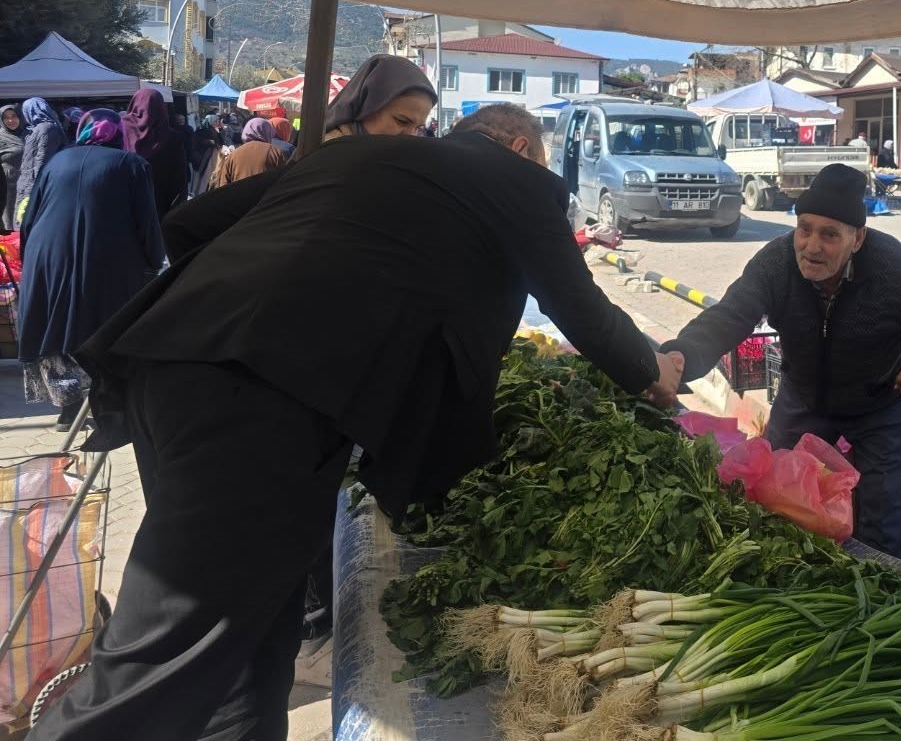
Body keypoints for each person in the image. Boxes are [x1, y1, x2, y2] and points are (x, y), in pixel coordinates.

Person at [34, 103, 682, 741]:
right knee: (163, 657)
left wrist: (248, 297)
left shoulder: (356, 155)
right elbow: (582, 309)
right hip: (260, 402)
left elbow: (188, 222)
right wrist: (655, 371)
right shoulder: (518, 181)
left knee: (253, 630)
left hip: (170, 363)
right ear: (520, 149)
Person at [661, 163, 901, 556]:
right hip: (804, 396)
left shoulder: (894, 267)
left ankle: (879, 582)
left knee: (881, 518)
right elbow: (731, 315)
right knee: (774, 498)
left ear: (858, 238)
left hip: (881, 402)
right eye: (805, 229)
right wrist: (681, 355)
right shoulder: (776, 262)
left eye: (829, 234)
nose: (811, 246)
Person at [17, 110, 163, 430]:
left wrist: (32, 261)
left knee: (59, 325)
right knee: (103, 329)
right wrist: (154, 262)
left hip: (47, 253)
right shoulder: (132, 165)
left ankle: (68, 409)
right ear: (118, 133)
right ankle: (106, 407)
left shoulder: (56, 161)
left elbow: (29, 216)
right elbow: (147, 223)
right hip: (106, 258)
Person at [324, 54, 438, 140]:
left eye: (418, 128)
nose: (411, 136)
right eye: (402, 121)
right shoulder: (331, 154)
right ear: (367, 107)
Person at [123, 87, 189, 218]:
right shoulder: (171, 136)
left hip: (123, 202)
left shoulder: (120, 129)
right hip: (158, 204)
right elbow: (179, 177)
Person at [16, 98, 69, 221]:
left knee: (29, 218)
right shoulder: (36, 129)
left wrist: (33, 187)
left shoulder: (47, 128)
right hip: (29, 181)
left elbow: (42, 158)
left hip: (34, 184)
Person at [214, 118, 289, 186]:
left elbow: (223, 184)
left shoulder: (233, 155)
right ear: (268, 132)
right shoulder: (276, 152)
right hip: (266, 196)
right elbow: (284, 182)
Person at [0, 105, 25, 231]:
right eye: (6, 117)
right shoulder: (1, 136)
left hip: (25, 184)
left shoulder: (26, 134)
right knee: (8, 220)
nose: (11, 120)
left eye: (14, 116)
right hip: (7, 186)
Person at [191, 114, 222, 196]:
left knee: (209, 174)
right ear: (210, 121)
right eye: (215, 121)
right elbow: (197, 141)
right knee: (205, 175)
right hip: (205, 156)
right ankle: (201, 192)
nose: (217, 122)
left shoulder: (214, 130)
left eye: (218, 121)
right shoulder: (202, 131)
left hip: (212, 156)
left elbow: (219, 141)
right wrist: (209, 142)